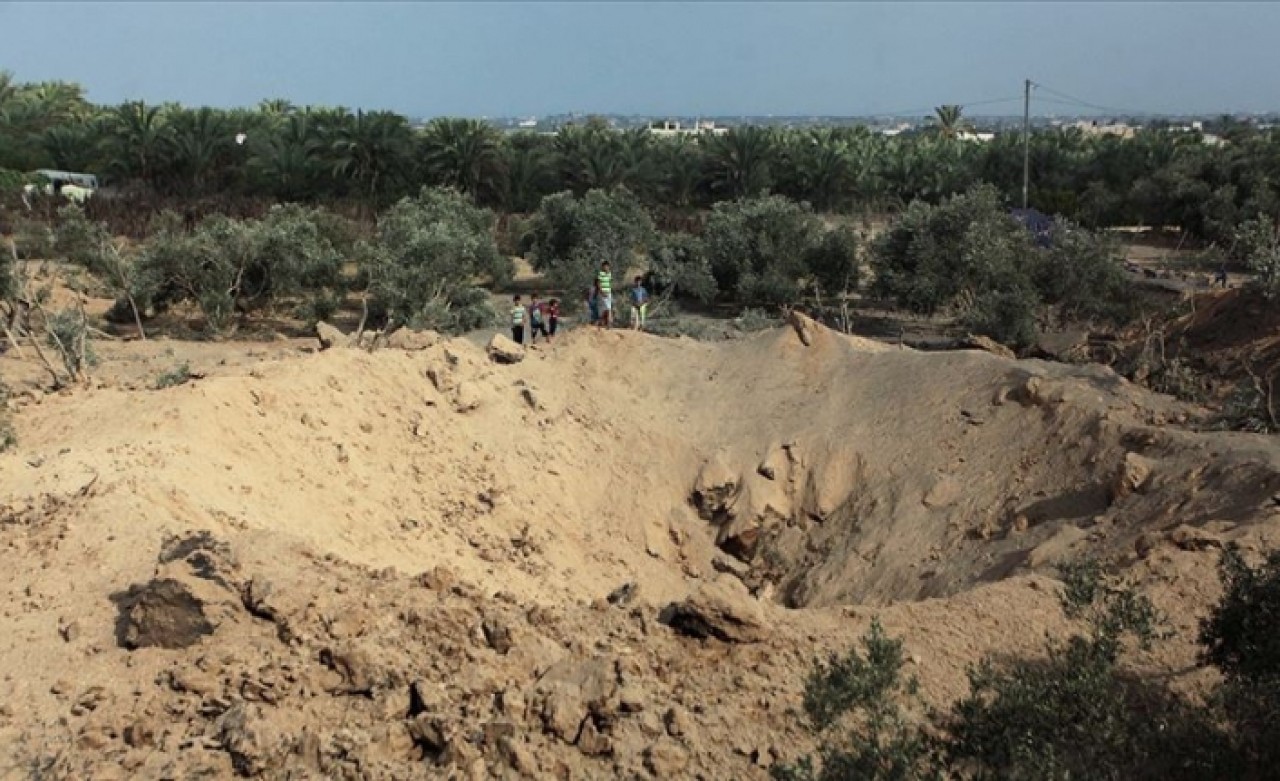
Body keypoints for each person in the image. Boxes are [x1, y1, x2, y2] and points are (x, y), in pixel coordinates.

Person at [597, 261, 613, 328]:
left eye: (607, 266)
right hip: (602, 293)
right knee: (603, 308)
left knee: (609, 308)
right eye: (605, 266)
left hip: (608, 292)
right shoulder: (601, 273)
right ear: (602, 267)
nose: (606, 267)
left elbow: (610, 282)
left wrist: (609, 290)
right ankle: (602, 322)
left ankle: (609, 323)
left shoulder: (609, 274)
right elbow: (598, 283)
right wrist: (602, 291)